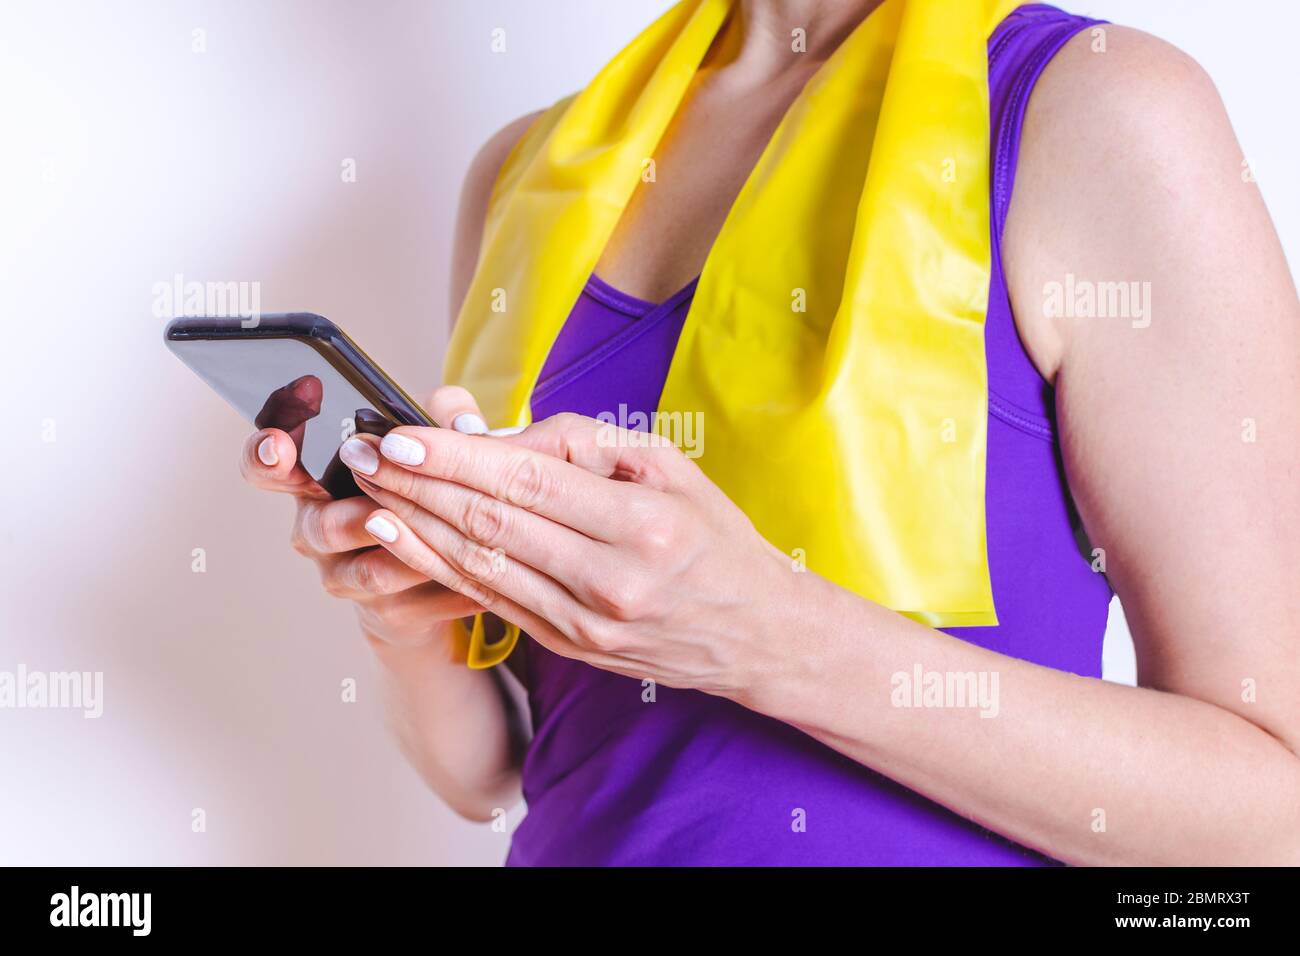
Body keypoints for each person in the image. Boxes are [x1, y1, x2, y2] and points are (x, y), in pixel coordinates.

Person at [240, 1, 1300, 865]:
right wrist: (409, 609)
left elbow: (1273, 806)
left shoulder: (1097, 110)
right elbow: (490, 770)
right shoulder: (527, 170)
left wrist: (765, 635)